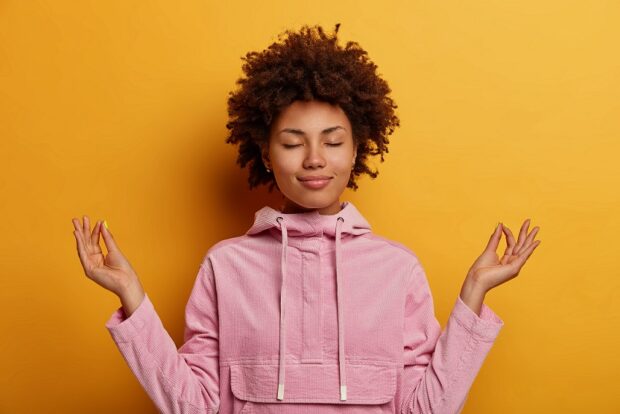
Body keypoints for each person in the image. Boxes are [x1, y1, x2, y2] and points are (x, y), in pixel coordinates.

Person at [72, 23, 541, 414]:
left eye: (333, 142)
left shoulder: (398, 270)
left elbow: (425, 409)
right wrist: (131, 297)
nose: (314, 159)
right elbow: (194, 406)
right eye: (293, 143)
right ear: (266, 153)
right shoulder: (225, 266)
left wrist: (472, 296)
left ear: (358, 149)